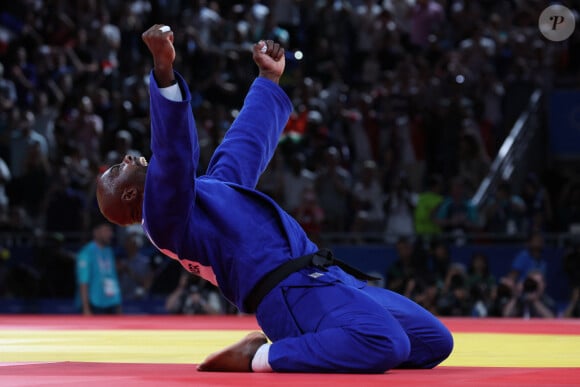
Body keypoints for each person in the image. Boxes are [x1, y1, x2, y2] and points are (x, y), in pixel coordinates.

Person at [96, 24, 453, 373]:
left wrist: (268, 79)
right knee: (385, 343)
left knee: (433, 341)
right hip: (289, 293)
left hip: (323, 277)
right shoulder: (163, 221)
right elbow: (174, 155)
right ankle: (259, 357)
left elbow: (243, 148)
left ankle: (329, 343)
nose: (126, 159)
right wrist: (164, 71)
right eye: (117, 169)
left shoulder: (203, 201)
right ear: (130, 194)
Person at [76, 219, 122, 315]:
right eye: (106, 230)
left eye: (111, 231)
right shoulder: (86, 253)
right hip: (94, 304)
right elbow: (83, 282)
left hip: (111, 303)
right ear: (96, 232)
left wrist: (118, 305)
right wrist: (86, 308)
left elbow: (113, 278)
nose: (110, 234)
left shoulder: (109, 251)